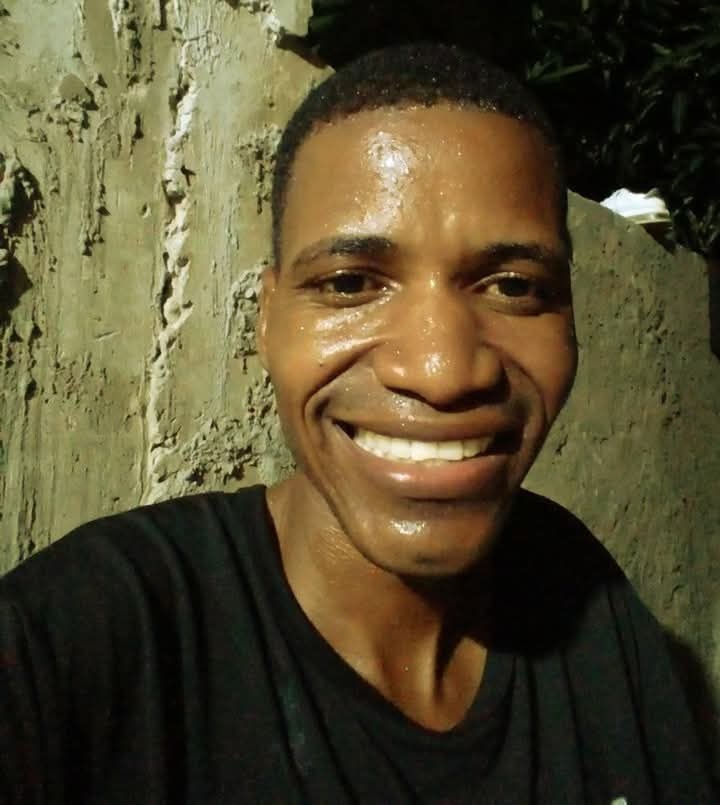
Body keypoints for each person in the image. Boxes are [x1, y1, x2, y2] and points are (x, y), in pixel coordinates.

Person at [0, 43, 715, 804]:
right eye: (349, 283)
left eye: (513, 286)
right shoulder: (73, 647)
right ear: (267, 322)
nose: (442, 371)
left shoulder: (579, 595)